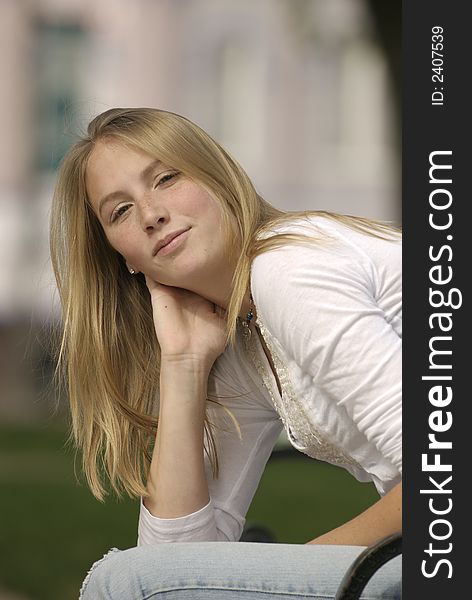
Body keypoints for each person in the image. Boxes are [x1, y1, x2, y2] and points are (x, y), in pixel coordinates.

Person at [50, 107, 402, 599]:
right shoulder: (241, 335)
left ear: (218, 175)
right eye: (120, 211)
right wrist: (184, 364)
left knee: (123, 582)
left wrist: (295, 579)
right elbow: (174, 563)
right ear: (119, 256)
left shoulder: (288, 271)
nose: (151, 214)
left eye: (167, 179)